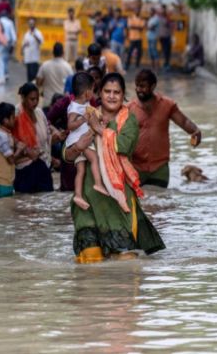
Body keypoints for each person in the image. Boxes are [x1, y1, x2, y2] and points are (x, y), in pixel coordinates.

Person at [65, 73, 165, 263]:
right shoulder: (87, 114)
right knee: (90, 264)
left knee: (125, 263)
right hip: (88, 201)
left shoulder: (129, 121)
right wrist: (79, 146)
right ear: (99, 93)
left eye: (116, 92)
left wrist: (99, 129)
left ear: (123, 95)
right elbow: (68, 154)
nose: (111, 96)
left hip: (118, 201)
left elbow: (123, 146)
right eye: (107, 91)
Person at [129, 69, 202, 187]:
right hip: (136, 167)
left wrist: (195, 131)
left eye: (142, 86)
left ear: (153, 86)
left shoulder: (167, 105)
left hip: (159, 168)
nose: (139, 90)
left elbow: (184, 121)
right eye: (137, 86)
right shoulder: (129, 108)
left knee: (161, 200)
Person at [47, 66, 104, 192]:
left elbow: (97, 118)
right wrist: (56, 131)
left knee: (86, 181)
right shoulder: (67, 103)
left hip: (87, 144)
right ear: (87, 90)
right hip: (71, 150)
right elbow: (47, 118)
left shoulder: (92, 102)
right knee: (70, 186)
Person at [65, 73, 109, 210]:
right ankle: (98, 183)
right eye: (93, 89)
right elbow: (70, 126)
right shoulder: (74, 107)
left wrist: (101, 118)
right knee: (94, 159)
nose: (94, 93)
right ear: (86, 92)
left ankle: (78, 195)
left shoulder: (85, 105)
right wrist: (83, 119)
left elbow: (94, 113)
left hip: (80, 142)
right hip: (79, 141)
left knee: (81, 170)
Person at [12, 83, 54, 193]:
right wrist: (26, 152)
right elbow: (9, 137)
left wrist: (56, 136)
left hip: (42, 163)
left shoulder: (39, 112)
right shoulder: (16, 113)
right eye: (32, 99)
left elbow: (47, 136)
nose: (35, 102)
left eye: (37, 99)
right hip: (25, 168)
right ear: (23, 98)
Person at [0, 102, 27, 198]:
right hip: (1, 183)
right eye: (13, 117)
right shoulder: (2, 136)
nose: (15, 119)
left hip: (6, 182)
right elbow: (11, 160)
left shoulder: (7, 134)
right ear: (6, 120)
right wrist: (19, 149)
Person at [36, 42, 73, 108]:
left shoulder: (45, 65)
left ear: (53, 52)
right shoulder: (68, 67)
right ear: (63, 52)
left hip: (48, 103)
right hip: (62, 105)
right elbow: (72, 85)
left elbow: (38, 83)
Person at [22, 18, 44, 82]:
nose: (31, 25)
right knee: (29, 76)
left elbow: (41, 42)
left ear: (35, 24)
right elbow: (23, 44)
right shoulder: (26, 34)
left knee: (34, 75)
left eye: (32, 23)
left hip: (35, 58)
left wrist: (35, 36)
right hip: (28, 57)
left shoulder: (38, 33)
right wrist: (25, 45)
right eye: (30, 23)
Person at [126, 6, 145, 70]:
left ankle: (137, 65)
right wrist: (138, 27)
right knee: (130, 52)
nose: (137, 11)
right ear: (134, 11)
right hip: (132, 38)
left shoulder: (141, 18)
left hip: (139, 38)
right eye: (136, 10)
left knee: (139, 52)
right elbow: (130, 27)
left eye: (138, 10)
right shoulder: (131, 17)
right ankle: (127, 65)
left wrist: (134, 26)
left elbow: (142, 28)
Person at [0, 12, 17, 80]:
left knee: (1, 58)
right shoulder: (10, 22)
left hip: (0, 42)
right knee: (5, 58)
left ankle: (2, 73)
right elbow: (13, 33)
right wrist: (13, 43)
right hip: (8, 42)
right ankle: (6, 73)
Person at [158, 5, 173, 70]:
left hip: (165, 36)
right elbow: (168, 24)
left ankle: (166, 64)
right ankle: (165, 64)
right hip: (165, 36)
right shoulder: (163, 18)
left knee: (167, 51)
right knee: (166, 51)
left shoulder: (164, 17)